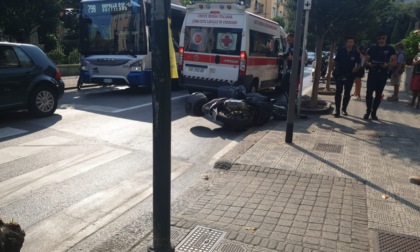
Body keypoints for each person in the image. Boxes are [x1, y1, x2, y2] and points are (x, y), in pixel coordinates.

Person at [363, 32, 397, 120]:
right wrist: (369, 64)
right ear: (377, 39)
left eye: (383, 38)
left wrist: (387, 64)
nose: (381, 40)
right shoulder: (372, 48)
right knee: (368, 93)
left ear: (386, 38)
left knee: (378, 94)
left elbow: (394, 62)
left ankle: (374, 112)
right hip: (372, 72)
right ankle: (367, 111)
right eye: (379, 38)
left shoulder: (390, 49)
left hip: (382, 74)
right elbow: (366, 60)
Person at [331, 37, 361, 117]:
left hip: (350, 75)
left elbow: (359, 63)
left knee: (347, 93)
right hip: (340, 74)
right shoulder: (340, 51)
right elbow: (335, 61)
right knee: (338, 92)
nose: (350, 43)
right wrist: (330, 71)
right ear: (345, 43)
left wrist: (356, 68)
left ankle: (344, 109)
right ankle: (337, 110)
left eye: (351, 42)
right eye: (348, 42)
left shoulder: (356, 53)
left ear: (353, 43)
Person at [409, 42, 420, 109]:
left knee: (418, 90)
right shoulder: (418, 53)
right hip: (415, 73)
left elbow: (416, 62)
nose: (419, 46)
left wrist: (415, 62)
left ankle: (417, 104)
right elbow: (414, 59)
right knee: (414, 89)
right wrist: (415, 61)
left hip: (419, 74)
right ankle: (412, 103)